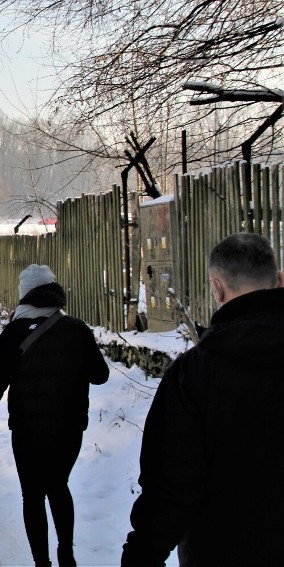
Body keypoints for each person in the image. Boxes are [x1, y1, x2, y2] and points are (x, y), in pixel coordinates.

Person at [121, 232, 284, 567]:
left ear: (217, 288)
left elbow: (169, 488)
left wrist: (141, 555)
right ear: (280, 280)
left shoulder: (194, 376)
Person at [0, 264, 109, 567]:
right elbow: (100, 375)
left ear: (24, 294)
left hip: (27, 430)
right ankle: (66, 552)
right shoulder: (77, 329)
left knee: (33, 496)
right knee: (57, 485)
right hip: (69, 430)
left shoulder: (14, 332)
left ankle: (42, 562)